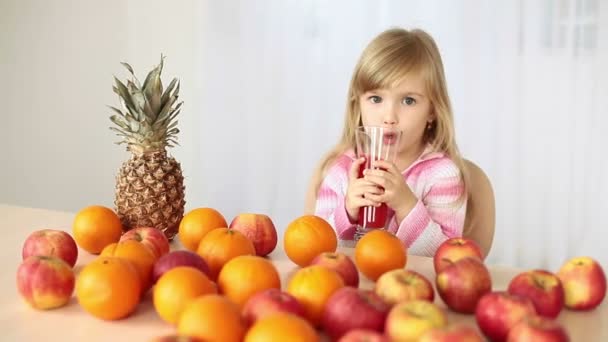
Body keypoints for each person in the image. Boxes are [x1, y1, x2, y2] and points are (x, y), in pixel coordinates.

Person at [305, 27, 467, 256]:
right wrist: (348, 210)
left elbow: (447, 257)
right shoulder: (340, 169)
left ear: (432, 111)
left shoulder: (442, 175)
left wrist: (406, 205)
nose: (389, 117)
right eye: (376, 99)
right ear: (357, 106)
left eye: (409, 100)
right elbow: (316, 247)